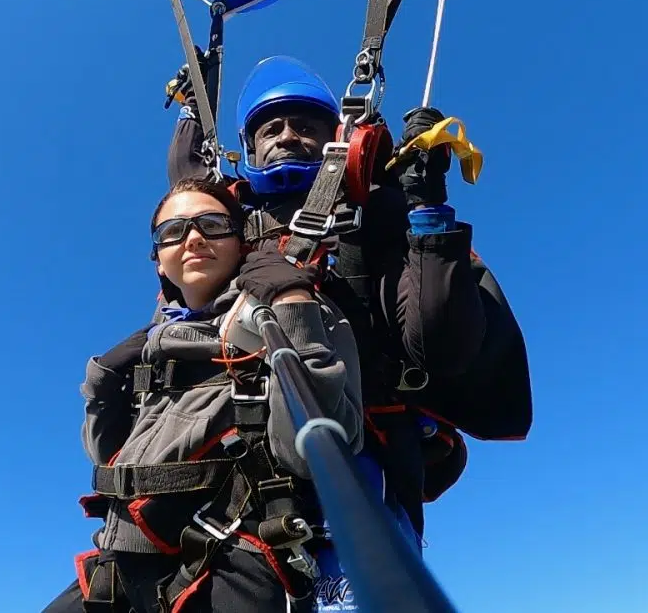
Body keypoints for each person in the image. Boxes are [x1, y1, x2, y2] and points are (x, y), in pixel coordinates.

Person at [165, 54, 533, 540]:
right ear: (249, 148)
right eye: (270, 128)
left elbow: (442, 345)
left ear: (336, 136)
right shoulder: (228, 225)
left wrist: (425, 207)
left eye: (305, 125)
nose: (287, 135)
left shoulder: (377, 214)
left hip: (364, 459)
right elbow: (190, 176)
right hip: (232, 459)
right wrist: (195, 108)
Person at [44, 177, 365, 613]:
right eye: (173, 232)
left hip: (230, 561)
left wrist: (291, 303)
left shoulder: (281, 312)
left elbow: (312, 453)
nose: (193, 238)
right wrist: (101, 387)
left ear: (240, 243)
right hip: (117, 568)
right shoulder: (153, 347)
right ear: (158, 260)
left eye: (212, 224)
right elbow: (110, 461)